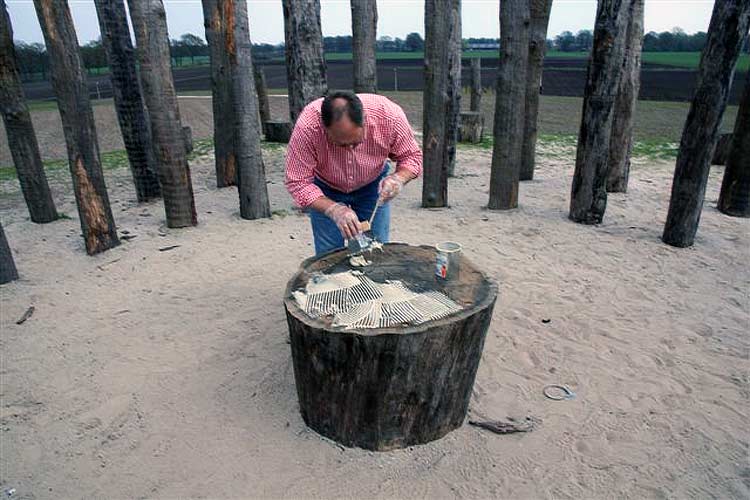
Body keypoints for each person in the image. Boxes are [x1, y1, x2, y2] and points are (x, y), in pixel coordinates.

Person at [285, 91, 423, 256]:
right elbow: (297, 182)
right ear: (324, 128)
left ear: (365, 120)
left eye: (356, 142)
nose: (350, 150)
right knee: (329, 254)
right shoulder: (308, 126)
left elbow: (411, 156)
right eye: (341, 145)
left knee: (376, 249)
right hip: (325, 189)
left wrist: (398, 178)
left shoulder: (389, 116)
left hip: (373, 185)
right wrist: (334, 210)